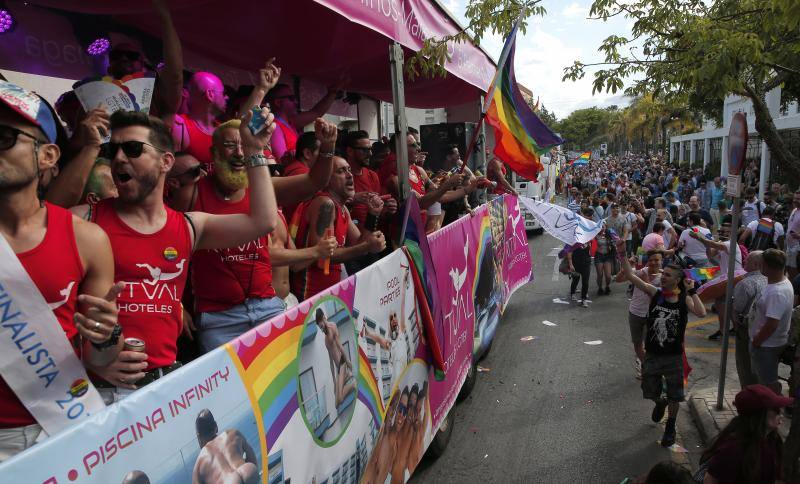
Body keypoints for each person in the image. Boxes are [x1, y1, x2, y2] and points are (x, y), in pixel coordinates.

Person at [74, 108, 278, 401]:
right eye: (111, 149)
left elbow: (263, 221)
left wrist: (256, 151)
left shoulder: (189, 226)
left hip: (165, 388)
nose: (118, 157)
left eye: (132, 149)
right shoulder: (84, 220)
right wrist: (87, 358)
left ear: (166, 162)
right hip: (98, 393)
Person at [0, 82, 124, 460]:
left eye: (4, 137)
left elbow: (101, 360)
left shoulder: (87, 239)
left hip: (59, 429)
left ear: (48, 155)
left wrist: (105, 337)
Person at [182, 118, 286, 353]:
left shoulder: (261, 193)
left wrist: (327, 151)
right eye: (230, 145)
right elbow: (168, 251)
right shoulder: (192, 193)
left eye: (243, 146)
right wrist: (175, 305)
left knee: (280, 385)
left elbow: (313, 182)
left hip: (267, 307)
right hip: (218, 319)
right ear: (214, 152)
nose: (239, 153)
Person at [617, 240, 706, 447]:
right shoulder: (654, 293)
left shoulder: (684, 299)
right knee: (649, 389)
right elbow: (630, 275)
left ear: (677, 280)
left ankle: (670, 427)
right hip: (653, 355)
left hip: (674, 356)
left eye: (667, 275)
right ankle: (660, 402)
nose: (662, 277)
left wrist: (692, 291)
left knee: (676, 393)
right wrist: (622, 253)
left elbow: (701, 312)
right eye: (662, 273)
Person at [290, 157, 386, 300]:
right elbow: (323, 258)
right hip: (310, 297)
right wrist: (366, 246)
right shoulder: (325, 204)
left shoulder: (342, 208)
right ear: (326, 180)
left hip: (328, 293)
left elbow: (359, 244)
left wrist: (373, 215)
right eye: (341, 171)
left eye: (349, 169)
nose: (349, 175)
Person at [699, 384, 791, 484]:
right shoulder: (732, 449)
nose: (781, 414)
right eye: (776, 410)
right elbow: (710, 481)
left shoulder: (773, 439)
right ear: (759, 415)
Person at [750, 249, 794, 395]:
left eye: (761, 264)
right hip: (768, 344)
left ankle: (772, 411)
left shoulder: (777, 292)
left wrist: (757, 341)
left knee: (767, 383)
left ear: (768, 267)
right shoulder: (781, 281)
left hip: (766, 346)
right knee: (766, 381)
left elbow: (772, 324)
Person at [266, 80, 343, 161]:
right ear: (278, 102)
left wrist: (332, 93)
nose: (296, 102)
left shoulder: (291, 122)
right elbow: (282, 160)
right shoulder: (274, 126)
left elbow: (316, 113)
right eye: (291, 98)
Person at [617, 250, 663, 379]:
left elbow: (654, 295)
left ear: (661, 261)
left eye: (656, 260)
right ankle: (646, 366)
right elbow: (618, 279)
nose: (653, 262)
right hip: (636, 313)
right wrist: (627, 266)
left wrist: (645, 280)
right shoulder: (640, 271)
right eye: (651, 260)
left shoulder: (664, 277)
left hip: (653, 316)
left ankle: (648, 368)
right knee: (637, 345)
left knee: (650, 345)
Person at [192, 409, 258, 484]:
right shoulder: (233, 433)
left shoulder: (199, 463)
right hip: (248, 471)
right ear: (216, 426)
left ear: (199, 437)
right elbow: (252, 458)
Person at [731, 251, 767, 388]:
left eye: (747, 259)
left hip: (747, 329)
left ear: (757, 264)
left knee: (745, 364)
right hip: (765, 330)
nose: (744, 260)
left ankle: (749, 396)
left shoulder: (745, 284)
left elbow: (738, 308)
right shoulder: (772, 280)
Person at [315, 308, 356, 405]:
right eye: (320, 328)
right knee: (336, 403)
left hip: (342, 363)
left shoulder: (333, 326)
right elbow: (330, 362)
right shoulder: (326, 341)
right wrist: (334, 381)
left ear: (324, 319)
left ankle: (353, 384)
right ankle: (347, 377)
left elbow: (340, 346)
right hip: (338, 369)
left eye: (321, 326)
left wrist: (348, 361)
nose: (321, 329)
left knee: (340, 399)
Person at [565, 207, 596, 307]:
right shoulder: (576, 228)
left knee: (585, 281)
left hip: (586, 259)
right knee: (576, 279)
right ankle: (573, 292)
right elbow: (569, 248)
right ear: (583, 215)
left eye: (591, 217)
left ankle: (583, 299)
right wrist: (570, 263)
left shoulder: (591, 227)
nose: (590, 219)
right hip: (576, 259)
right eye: (588, 216)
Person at [594, 224, 615, 296]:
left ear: (605, 227)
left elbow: (616, 240)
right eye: (600, 227)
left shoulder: (609, 234)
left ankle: (607, 286)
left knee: (608, 276)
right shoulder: (595, 235)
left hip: (607, 256)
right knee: (600, 275)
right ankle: (600, 288)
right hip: (598, 256)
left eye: (603, 227)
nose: (601, 228)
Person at [785, 189, 800, 280]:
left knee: (795, 270)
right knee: (788, 268)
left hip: (797, 247)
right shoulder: (794, 210)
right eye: (794, 198)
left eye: (798, 199)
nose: (795, 200)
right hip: (789, 246)